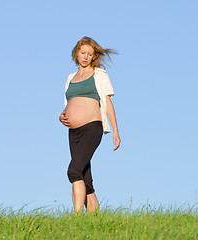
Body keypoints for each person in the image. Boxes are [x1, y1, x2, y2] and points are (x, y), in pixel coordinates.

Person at [59, 36, 121, 214]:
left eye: (89, 54)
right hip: (73, 131)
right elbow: (68, 104)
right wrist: (61, 117)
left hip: (92, 128)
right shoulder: (70, 78)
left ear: (94, 56)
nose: (85, 57)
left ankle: (76, 216)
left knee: (74, 171)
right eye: (82, 53)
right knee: (85, 179)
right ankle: (95, 218)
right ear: (76, 53)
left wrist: (116, 131)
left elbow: (108, 103)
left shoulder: (99, 74)